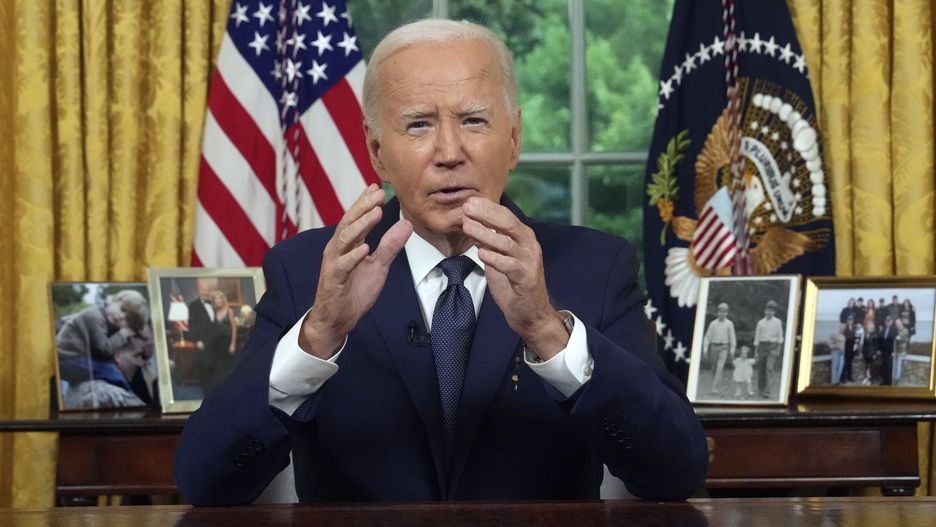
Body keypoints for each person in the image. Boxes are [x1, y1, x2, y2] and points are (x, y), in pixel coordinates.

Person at [173, 19, 707, 505]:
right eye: (419, 125)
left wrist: (548, 331)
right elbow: (205, 482)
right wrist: (317, 337)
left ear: (514, 138)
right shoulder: (307, 271)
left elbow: (676, 473)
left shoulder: (596, 266)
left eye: (474, 120)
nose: (450, 151)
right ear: (377, 151)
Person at [198, 290, 240, 393]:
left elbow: (234, 328)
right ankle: (219, 388)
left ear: (223, 299)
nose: (218, 301)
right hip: (217, 343)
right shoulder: (214, 312)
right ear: (214, 301)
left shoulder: (229, 311)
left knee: (228, 366)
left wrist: (233, 344)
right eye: (215, 300)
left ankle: (229, 388)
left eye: (219, 299)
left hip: (227, 341)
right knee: (217, 366)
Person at [701, 303, 737, 395]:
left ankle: (715, 388)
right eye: (720, 312)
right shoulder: (713, 324)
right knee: (714, 368)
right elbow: (707, 337)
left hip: (724, 347)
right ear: (718, 312)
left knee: (720, 367)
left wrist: (732, 350)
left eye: (724, 312)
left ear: (727, 313)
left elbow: (732, 338)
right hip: (714, 347)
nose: (722, 314)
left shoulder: (729, 324)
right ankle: (714, 383)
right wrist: (705, 349)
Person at [753, 300, 784, 398]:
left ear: (774, 312)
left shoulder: (778, 322)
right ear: (764, 311)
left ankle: (767, 391)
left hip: (773, 347)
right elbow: (757, 338)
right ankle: (760, 390)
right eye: (767, 310)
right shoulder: (760, 323)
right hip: (762, 346)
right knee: (761, 369)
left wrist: (778, 349)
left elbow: (780, 337)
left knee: (769, 368)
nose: (769, 313)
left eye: (771, 311)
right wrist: (756, 351)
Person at [878, 316, 897, 385]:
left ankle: (889, 382)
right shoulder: (883, 329)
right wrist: (879, 349)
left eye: (889, 321)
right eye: (886, 321)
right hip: (883, 351)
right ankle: (884, 381)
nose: (887, 322)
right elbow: (880, 340)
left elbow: (894, 342)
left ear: (891, 322)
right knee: (884, 367)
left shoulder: (894, 330)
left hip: (890, 352)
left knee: (889, 367)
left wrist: (894, 351)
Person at [859, 320, 878, 385]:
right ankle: (866, 378)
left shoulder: (875, 335)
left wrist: (875, 354)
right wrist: (861, 352)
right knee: (866, 366)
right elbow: (863, 344)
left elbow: (876, 345)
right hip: (865, 353)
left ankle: (870, 379)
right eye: (868, 326)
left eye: (870, 326)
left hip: (871, 353)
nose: (868, 327)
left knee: (870, 367)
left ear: (872, 327)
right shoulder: (865, 333)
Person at [841, 315, 858, 383]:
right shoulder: (845, 328)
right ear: (847, 320)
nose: (850, 321)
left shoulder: (854, 328)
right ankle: (842, 378)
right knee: (845, 363)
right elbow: (844, 337)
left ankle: (849, 377)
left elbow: (856, 337)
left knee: (850, 363)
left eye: (851, 320)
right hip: (846, 348)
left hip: (852, 349)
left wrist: (855, 346)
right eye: (849, 320)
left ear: (853, 321)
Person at [892, 318, 910, 385]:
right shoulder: (895, 330)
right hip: (895, 350)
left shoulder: (905, 330)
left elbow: (905, 339)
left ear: (901, 323)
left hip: (901, 350)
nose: (897, 324)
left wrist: (900, 338)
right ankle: (893, 377)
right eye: (896, 324)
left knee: (898, 364)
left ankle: (897, 379)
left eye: (898, 323)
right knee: (894, 364)